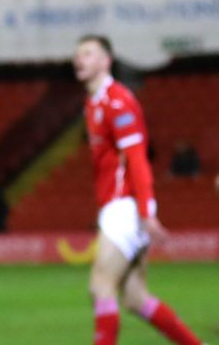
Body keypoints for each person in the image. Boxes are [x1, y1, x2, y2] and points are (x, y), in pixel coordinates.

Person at [73, 35, 203, 345]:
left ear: (107, 60)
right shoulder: (93, 103)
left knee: (100, 287)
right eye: (78, 54)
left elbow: (137, 158)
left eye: (89, 53)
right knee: (135, 297)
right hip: (117, 206)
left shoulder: (117, 101)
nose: (80, 59)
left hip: (125, 206)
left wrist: (147, 211)